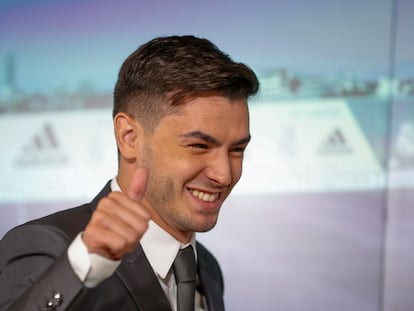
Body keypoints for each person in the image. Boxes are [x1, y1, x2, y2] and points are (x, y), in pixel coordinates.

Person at [0, 35, 259, 311]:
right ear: (129, 137)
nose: (224, 175)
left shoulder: (207, 268)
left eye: (237, 150)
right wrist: (86, 264)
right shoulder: (52, 247)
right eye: (199, 145)